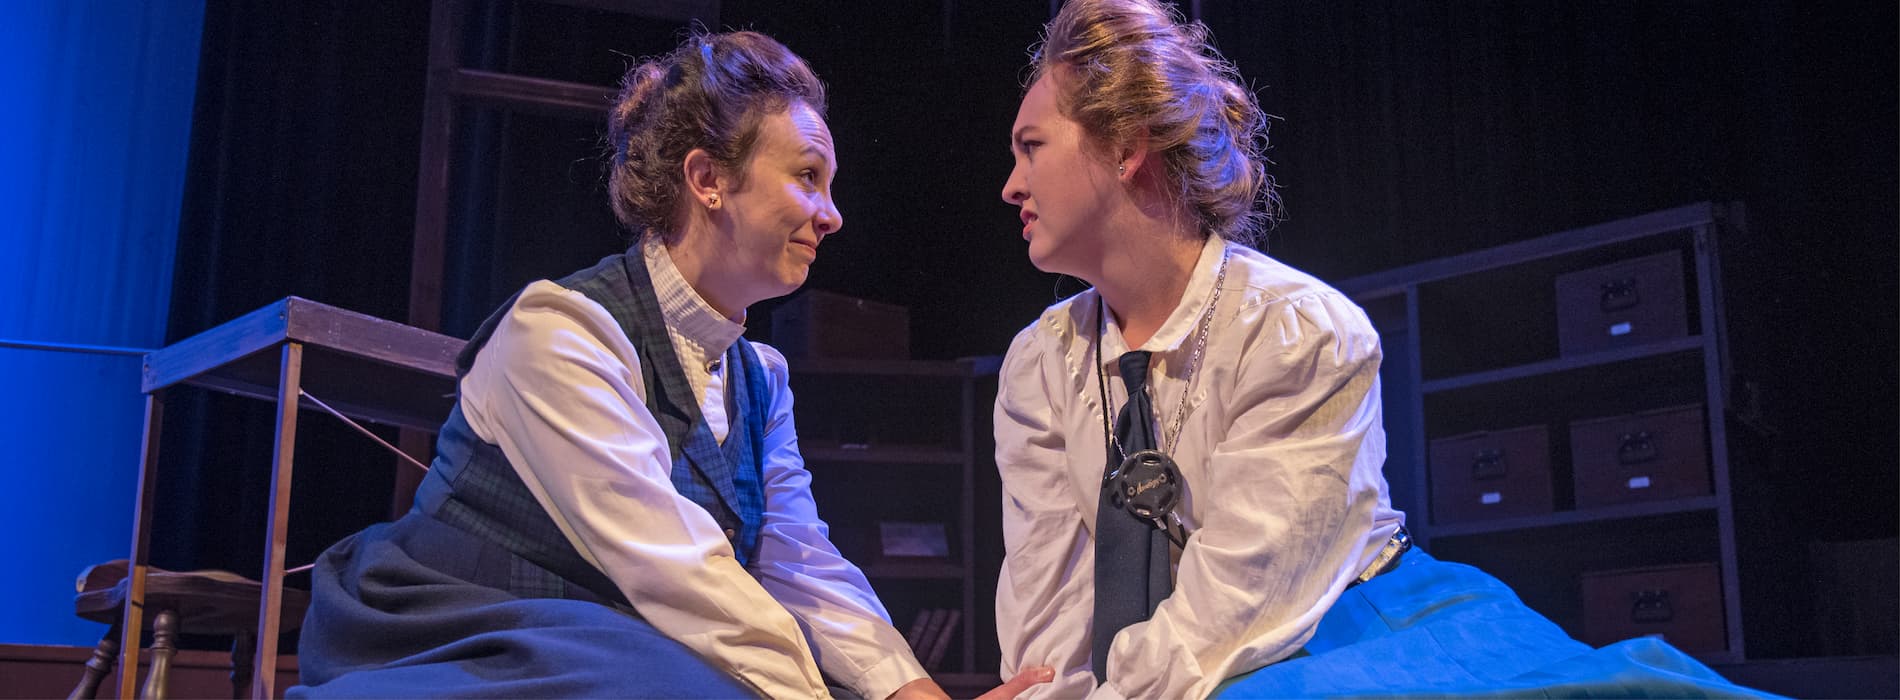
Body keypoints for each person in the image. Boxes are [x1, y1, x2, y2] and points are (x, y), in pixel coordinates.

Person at [991, 1, 1771, 698]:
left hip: (1353, 619)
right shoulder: (1041, 366)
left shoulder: (1298, 329)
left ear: (1126, 148)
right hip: (1180, 664)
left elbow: (1243, 601)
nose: (1011, 186)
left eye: (1032, 147)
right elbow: (1049, 601)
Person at [292, 31, 1046, 700]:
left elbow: (799, 565)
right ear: (708, 180)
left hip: (623, 630)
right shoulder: (561, 335)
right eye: (808, 177)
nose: (832, 213)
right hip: (467, 627)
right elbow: (673, 568)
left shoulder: (760, 378)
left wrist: (909, 692)